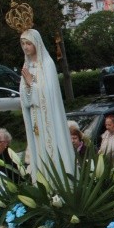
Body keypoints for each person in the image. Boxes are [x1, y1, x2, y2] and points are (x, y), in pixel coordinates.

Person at [19, 28, 75, 179]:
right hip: (36, 119)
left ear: (36, 43)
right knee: (39, 151)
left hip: (50, 118)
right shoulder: (27, 66)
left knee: (53, 150)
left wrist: (32, 84)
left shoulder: (47, 64)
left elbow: (49, 94)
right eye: (23, 44)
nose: (25, 47)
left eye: (28, 43)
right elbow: (24, 97)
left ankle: (61, 183)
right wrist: (28, 88)